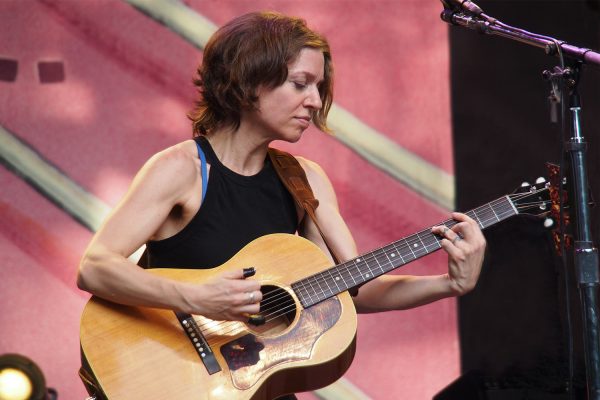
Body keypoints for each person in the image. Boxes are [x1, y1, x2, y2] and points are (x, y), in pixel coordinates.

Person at [77, 10, 486, 399]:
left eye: (319, 87)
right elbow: (96, 267)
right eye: (300, 83)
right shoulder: (181, 168)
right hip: (169, 375)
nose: (315, 100)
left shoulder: (305, 181)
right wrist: (198, 297)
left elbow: (347, 289)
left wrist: (447, 284)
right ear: (250, 81)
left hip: (256, 386)